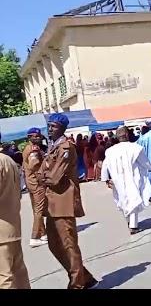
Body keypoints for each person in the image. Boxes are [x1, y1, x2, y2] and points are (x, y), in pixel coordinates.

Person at [36, 114, 98, 289]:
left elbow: (54, 178)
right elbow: (40, 173)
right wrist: (43, 176)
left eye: (53, 126)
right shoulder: (52, 147)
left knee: (68, 245)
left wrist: (43, 177)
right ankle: (85, 277)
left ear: (63, 128)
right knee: (54, 246)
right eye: (48, 126)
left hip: (64, 201)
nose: (49, 129)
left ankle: (77, 283)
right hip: (52, 203)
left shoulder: (66, 147)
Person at [101, 126, 151, 235]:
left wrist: (106, 179)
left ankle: (130, 222)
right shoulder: (135, 148)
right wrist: (150, 168)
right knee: (132, 199)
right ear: (127, 135)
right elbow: (145, 163)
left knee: (124, 199)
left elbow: (105, 166)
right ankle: (133, 226)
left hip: (117, 179)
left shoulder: (110, 151)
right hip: (132, 178)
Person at [0, 130, 31, 289]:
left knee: (4, 277)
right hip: (12, 224)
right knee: (19, 273)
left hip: (2, 230)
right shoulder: (9, 160)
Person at [22, 127, 48, 247]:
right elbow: (34, 165)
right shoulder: (33, 150)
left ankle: (42, 233)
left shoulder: (27, 148)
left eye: (38, 136)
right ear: (29, 137)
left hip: (30, 182)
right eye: (35, 136)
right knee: (39, 210)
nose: (38, 138)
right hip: (37, 183)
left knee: (36, 209)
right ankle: (34, 236)